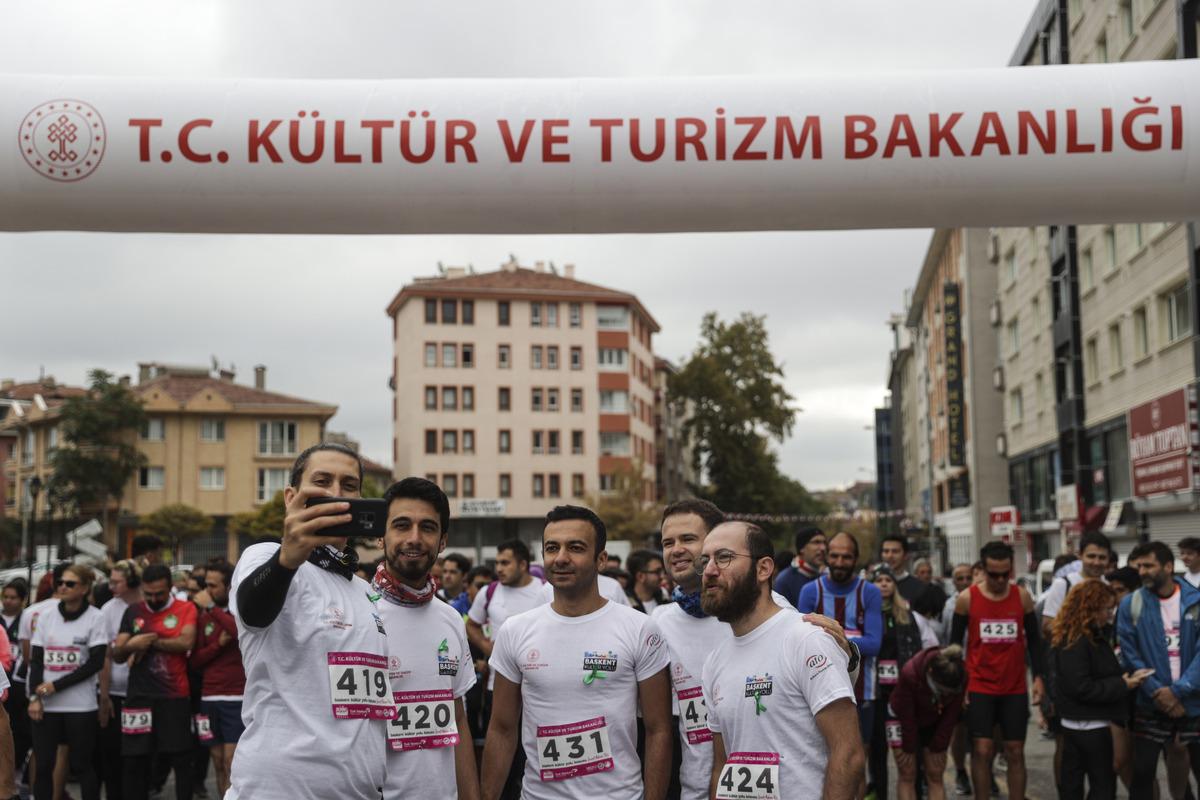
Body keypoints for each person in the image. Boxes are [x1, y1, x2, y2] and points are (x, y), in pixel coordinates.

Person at [653, 501, 860, 800]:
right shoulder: (687, 641)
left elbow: (849, 753)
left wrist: (847, 656)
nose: (708, 569)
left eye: (722, 557)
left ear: (763, 568)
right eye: (667, 542)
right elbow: (722, 765)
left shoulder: (800, 632)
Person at [226, 442, 393, 800]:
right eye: (322, 481)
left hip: (359, 790)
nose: (336, 494)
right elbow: (254, 612)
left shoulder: (363, 590)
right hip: (279, 790)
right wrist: (288, 558)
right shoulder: (266, 556)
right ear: (291, 497)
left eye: (349, 486)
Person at [481, 506, 672, 800]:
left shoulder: (640, 629)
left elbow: (658, 730)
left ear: (601, 560)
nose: (561, 558)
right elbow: (502, 729)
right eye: (552, 548)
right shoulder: (515, 631)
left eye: (576, 548)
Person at [372, 478, 479, 800]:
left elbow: (458, 721)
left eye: (428, 528)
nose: (414, 539)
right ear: (381, 535)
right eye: (402, 526)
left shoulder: (450, 619)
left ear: (442, 541)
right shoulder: (356, 613)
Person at [950, 540, 1045, 800]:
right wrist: (961, 686)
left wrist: (1038, 677)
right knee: (982, 750)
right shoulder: (967, 599)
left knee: (1015, 750)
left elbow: (1035, 642)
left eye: (1006, 574)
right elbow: (955, 648)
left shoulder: (1022, 597)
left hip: (1014, 686)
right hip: (980, 685)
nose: (1001, 580)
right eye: (994, 574)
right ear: (983, 568)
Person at [798, 530, 882, 796]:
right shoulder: (810, 591)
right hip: (818, 689)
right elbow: (801, 642)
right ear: (827, 557)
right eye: (834, 555)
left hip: (862, 688)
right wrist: (852, 640)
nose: (840, 562)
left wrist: (836, 637)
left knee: (857, 761)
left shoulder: (869, 592)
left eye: (846, 557)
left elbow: (875, 643)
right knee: (821, 758)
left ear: (856, 559)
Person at [1117, 541, 1200, 800]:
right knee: (1142, 773)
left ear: (1168, 566)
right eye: (1139, 566)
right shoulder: (1131, 604)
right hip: (1151, 703)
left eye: (1148, 565)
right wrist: (1158, 693)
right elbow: (1130, 653)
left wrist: (1178, 691)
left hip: (1192, 702)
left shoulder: (1195, 601)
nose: (1142, 571)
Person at [1052, 579, 1148, 800]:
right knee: (1101, 787)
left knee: (1077, 784)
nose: (1110, 614)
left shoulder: (1083, 635)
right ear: (1090, 608)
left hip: (1081, 722)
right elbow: (1081, 687)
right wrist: (1123, 684)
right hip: (1089, 726)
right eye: (1107, 609)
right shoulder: (1079, 640)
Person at [112, 563, 197, 800]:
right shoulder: (133, 611)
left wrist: (148, 641)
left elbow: (185, 642)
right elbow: (118, 654)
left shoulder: (185, 608)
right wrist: (131, 645)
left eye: (159, 593)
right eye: (148, 594)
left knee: (180, 759)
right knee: (133, 761)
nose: (153, 598)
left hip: (174, 697)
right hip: (138, 697)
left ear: (170, 588)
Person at [27, 564, 106, 800]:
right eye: (60, 582)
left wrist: (56, 686)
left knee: (82, 765)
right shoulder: (46, 617)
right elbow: (37, 660)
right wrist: (35, 697)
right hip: (47, 706)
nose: (63, 587)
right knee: (43, 766)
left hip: (80, 706)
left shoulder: (96, 617)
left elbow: (95, 663)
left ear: (83, 588)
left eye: (70, 583)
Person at [870, 565, 930, 800]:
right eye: (879, 580)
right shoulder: (867, 615)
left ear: (895, 585)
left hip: (902, 695)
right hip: (876, 694)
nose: (884, 583)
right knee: (877, 756)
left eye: (888, 580)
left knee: (907, 754)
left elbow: (918, 653)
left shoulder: (908, 616)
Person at [190, 560, 244, 799]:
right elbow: (195, 660)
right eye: (206, 585)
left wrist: (212, 608)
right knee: (218, 762)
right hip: (209, 698)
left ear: (228, 586)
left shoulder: (238, 612)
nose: (208, 591)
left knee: (232, 762)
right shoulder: (202, 617)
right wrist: (217, 646)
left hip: (237, 697)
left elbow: (238, 633)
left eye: (213, 585)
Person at [886, 645, 966, 800]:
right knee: (907, 772)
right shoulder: (910, 673)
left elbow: (951, 717)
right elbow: (907, 718)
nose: (946, 695)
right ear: (930, 674)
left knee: (935, 774)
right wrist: (908, 747)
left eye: (950, 693)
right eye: (943, 691)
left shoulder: (960, 674)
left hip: (935, 718)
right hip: (901, 717)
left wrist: (939, 746)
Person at [98, 560, 141, 800]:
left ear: (133, 582)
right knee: (112, 754)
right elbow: (104, 657)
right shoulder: (108, 610)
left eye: (117, 581)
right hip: (114, 690)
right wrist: (104, 696)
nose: (111, 586)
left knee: (137, 757)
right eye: (110, 581)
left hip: (142, 691)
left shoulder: (147, 603)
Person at [773, 527, 827, 608]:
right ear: (802, 548)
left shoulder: (826, 577)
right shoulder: (785, 580)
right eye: (816, 542)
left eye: (824, 543)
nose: (823, 548)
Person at [880, 534, 924, 602]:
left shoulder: (918, 588)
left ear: (906, 555)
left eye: (895, 551)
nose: (890, 555)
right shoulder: (871, 586)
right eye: (886, 551)